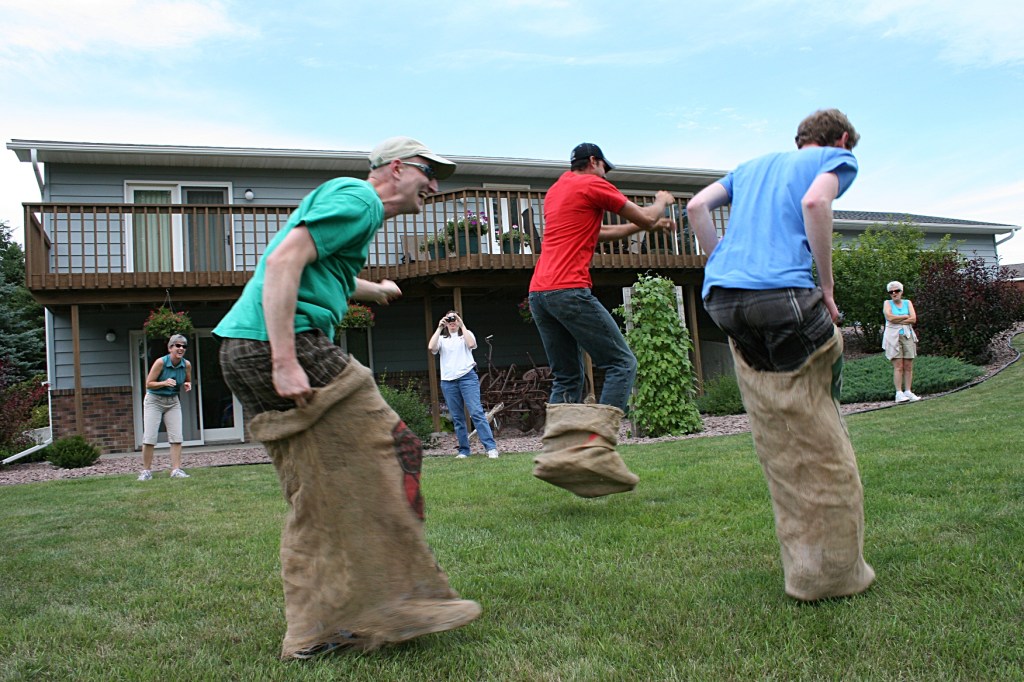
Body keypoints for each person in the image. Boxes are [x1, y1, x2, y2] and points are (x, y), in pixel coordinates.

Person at [213, 137, 481, 659]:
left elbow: (320, 269)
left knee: (317, 497)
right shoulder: (360, 200)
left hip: (241, 350)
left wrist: (372, 288)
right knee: (393, 447)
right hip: (281, 343)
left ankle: (312, 633)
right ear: (396, 168)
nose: (434, 186)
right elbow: (285, 261)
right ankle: (402, 599)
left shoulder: (352, 210)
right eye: (429, 173)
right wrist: (285, 359)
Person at [686, 109, 875, 601]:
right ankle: (833, 571)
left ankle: (806, 563)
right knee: (821, 382)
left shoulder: (749, 167)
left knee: (780, 409)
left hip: (722, 301)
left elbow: (695, 209)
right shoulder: (836, 158)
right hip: (786, 296)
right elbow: (816, 202)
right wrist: (827, 288)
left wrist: (718, 257)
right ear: (841, 138)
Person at [528, 142, 676, 498]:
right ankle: (598, 447)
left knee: (568, 374)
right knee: (622, 362)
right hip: (568, 291)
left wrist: (649, 226)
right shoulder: (592, 183)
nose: (607, 176)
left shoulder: (557, 191)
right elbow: (643, 216)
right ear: (593, 162)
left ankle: (556, 453)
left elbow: (599, 234)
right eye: (605, 168)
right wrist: (661, 202)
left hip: (539, 294)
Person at [428, 311, 499, 459]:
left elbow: (472, 344)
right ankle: (464, 450)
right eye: (449, 319)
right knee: (457, 417)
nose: (452, 321)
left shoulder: (466, 334)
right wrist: (440, 327)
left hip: (467, 378)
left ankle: (491, 448)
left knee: (476, 412)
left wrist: (462, 325)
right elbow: (431, 347)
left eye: (454, 318)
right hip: (448, 381)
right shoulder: (441, 339)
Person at [138, 334, 192, 480]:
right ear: (170, 348)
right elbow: (149, 383)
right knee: (150, 437)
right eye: (177, 345)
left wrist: (187, 384)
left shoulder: (186, 364)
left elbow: (187, 379)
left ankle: (176, 470)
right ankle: (146, 472)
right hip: (154, 401)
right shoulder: (160, 362)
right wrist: (164, 383)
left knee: (176, 437)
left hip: (173, 401)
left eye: (184, 346)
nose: (181, 348)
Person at [883, 280, 920, 403]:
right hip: (893, 336)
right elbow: (889, 317)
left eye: (897, 291)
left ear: (901, 291)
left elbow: (913, 319)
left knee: (908, 365)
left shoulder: (907, 302)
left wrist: (898, 319)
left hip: (907, 335)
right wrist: (905, 317)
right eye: (891, 291)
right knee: (898, 365)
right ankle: (898, 393)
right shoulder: (887, 303)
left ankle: (908, 391)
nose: (894, 293)